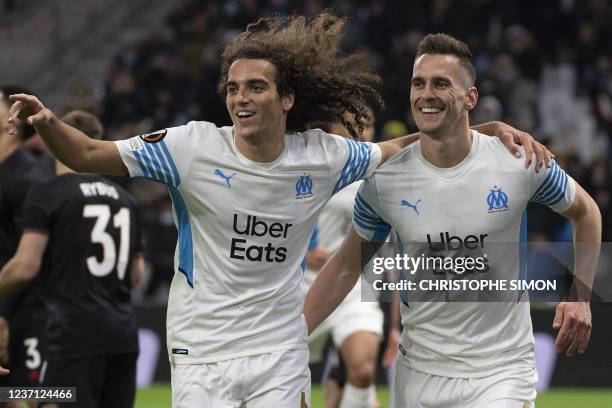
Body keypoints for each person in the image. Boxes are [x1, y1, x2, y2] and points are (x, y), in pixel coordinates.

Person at [8, 14, 548, 407]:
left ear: (286, 98)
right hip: (202, 346)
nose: (241, 98)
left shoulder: (322, 156)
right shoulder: (189, 147)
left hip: (278, 347)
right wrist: (48, 122)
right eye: (234, 88)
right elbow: (88, 154)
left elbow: (400, 146)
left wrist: (478, 134)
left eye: (256, 87)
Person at [304, 33, 600, 407]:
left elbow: (586, 211)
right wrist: (294, 336)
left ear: (470, 97)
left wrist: (580, 296)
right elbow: (346, 266)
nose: (426, 93)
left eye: (441, 83)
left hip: (501, 372)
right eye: (418, 83)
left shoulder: (519, 159)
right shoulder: (384, 182)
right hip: (420, 376)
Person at [0, 110, 145, 408]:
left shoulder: (48, 194)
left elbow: (25, 268)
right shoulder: (125, 200)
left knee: (46, 399)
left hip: (74, 333)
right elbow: (135, 275)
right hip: (123, 335)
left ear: (57, 141)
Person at [305, 111, 398, 408]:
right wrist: (304, 254)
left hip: (355, 288)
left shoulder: (381, 180)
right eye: (350, 124)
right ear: (331, 127)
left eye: (367, 124)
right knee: (281, 377)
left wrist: (395, 324)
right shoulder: (309, 167)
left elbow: (389, 255)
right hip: (302, 285)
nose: (360, 130)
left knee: (362, 368)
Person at [0, 87, 51, 408]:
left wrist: (3, 314)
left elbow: (32, 261)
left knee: (38, 398)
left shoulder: (27, 180)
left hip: (27, 315)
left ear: (12, 120)